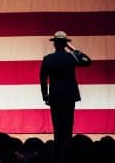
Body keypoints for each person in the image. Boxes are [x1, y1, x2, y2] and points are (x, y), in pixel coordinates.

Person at [40, 30, 92, 162]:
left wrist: (45, 96)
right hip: (69, 96)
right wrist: (74, 50)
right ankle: (68, 154)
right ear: (65, 44)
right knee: (68, 125)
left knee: (57, 126)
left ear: (54, 44)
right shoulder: (71, 57)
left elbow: (43, 79)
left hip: (55, 96)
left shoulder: (48, 59)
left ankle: (58, 154)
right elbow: (87, 61)